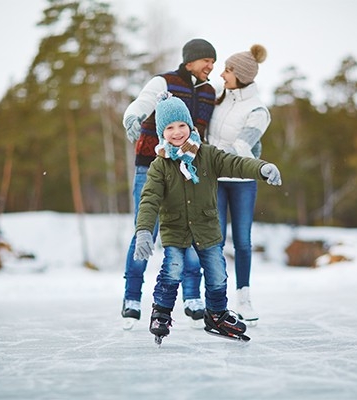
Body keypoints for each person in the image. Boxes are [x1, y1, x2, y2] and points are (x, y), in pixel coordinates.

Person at [133, 92, 282, 343]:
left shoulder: (208, 155)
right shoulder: (160, 165)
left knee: (217, 274)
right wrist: (144, 230)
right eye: (169, 127)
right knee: (173, 270)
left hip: (207, 228)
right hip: (176, 230)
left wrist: (261, 168)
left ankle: (216, 315)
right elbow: (149, 200)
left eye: (182, 125)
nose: (177, 132)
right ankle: (161, 312)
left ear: (190, 126)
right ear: (162, 133)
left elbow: (236, 164)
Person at [120, 38, 218, 329]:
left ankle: (191, 297)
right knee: (145, 229)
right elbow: (143, 102)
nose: (211, 66)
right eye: (206, 61)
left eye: (213, 62)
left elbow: (231, 113)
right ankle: (131, 297)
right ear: (190, 62)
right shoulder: (164, 82)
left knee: (191, 229)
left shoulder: (211, 91)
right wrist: (132, 117)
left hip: (188, 170)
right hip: (150, 166)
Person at [206, 44, 270, 326]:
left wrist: (211, 153)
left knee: (242, 241)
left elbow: (243, 146)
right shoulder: (219, 100)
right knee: (215, 241)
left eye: (228, 70)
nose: (222, 74)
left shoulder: (258, 110)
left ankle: (243, 296)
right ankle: (214, 299)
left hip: (242, 181)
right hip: (215, 181)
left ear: (241, 75)